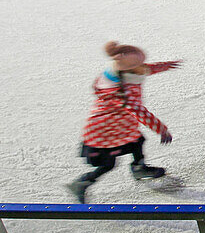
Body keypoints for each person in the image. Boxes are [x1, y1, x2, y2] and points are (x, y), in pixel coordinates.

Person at [67, 42, 180, 203]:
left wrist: (164, 66)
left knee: (138, 141)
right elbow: (139, 112)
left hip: (120, 125)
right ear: (129, 70)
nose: (144, 67)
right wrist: (161, 129)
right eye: (139, 64)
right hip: (104, 132)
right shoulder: (122, 92)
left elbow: (145, 69)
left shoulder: (122, 73)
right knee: (108, 164)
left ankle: (139, 168)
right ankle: (82, 182)